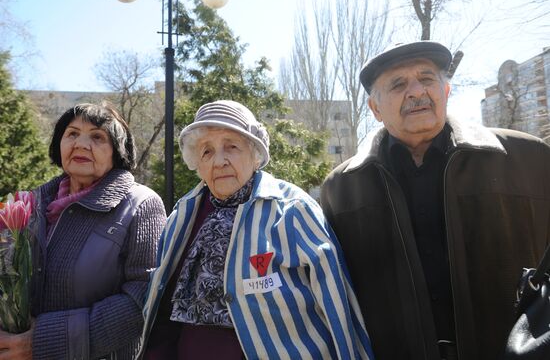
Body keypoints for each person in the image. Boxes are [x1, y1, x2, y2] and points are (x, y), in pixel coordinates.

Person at [320, 41, 550, 360]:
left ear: (446, 91)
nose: (416, 91)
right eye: (398, 84)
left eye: (427, 78)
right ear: (374, 108)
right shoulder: (342, 188)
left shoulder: (529, 157)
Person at [137, 100, 373, 359]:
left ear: (254, 153)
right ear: (198, 163)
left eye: (232, 146)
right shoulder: (183, 214)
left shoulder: (292, 208)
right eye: (206, 151)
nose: (219, 161)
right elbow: (161, 309)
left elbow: (335, 299)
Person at [0, 103, 167, 359]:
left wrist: (44, 340)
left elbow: (144, 297)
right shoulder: (32, 203)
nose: (81, 144)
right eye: (72, 134)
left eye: (98, 137)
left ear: (117, 151)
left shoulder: (141, 205)